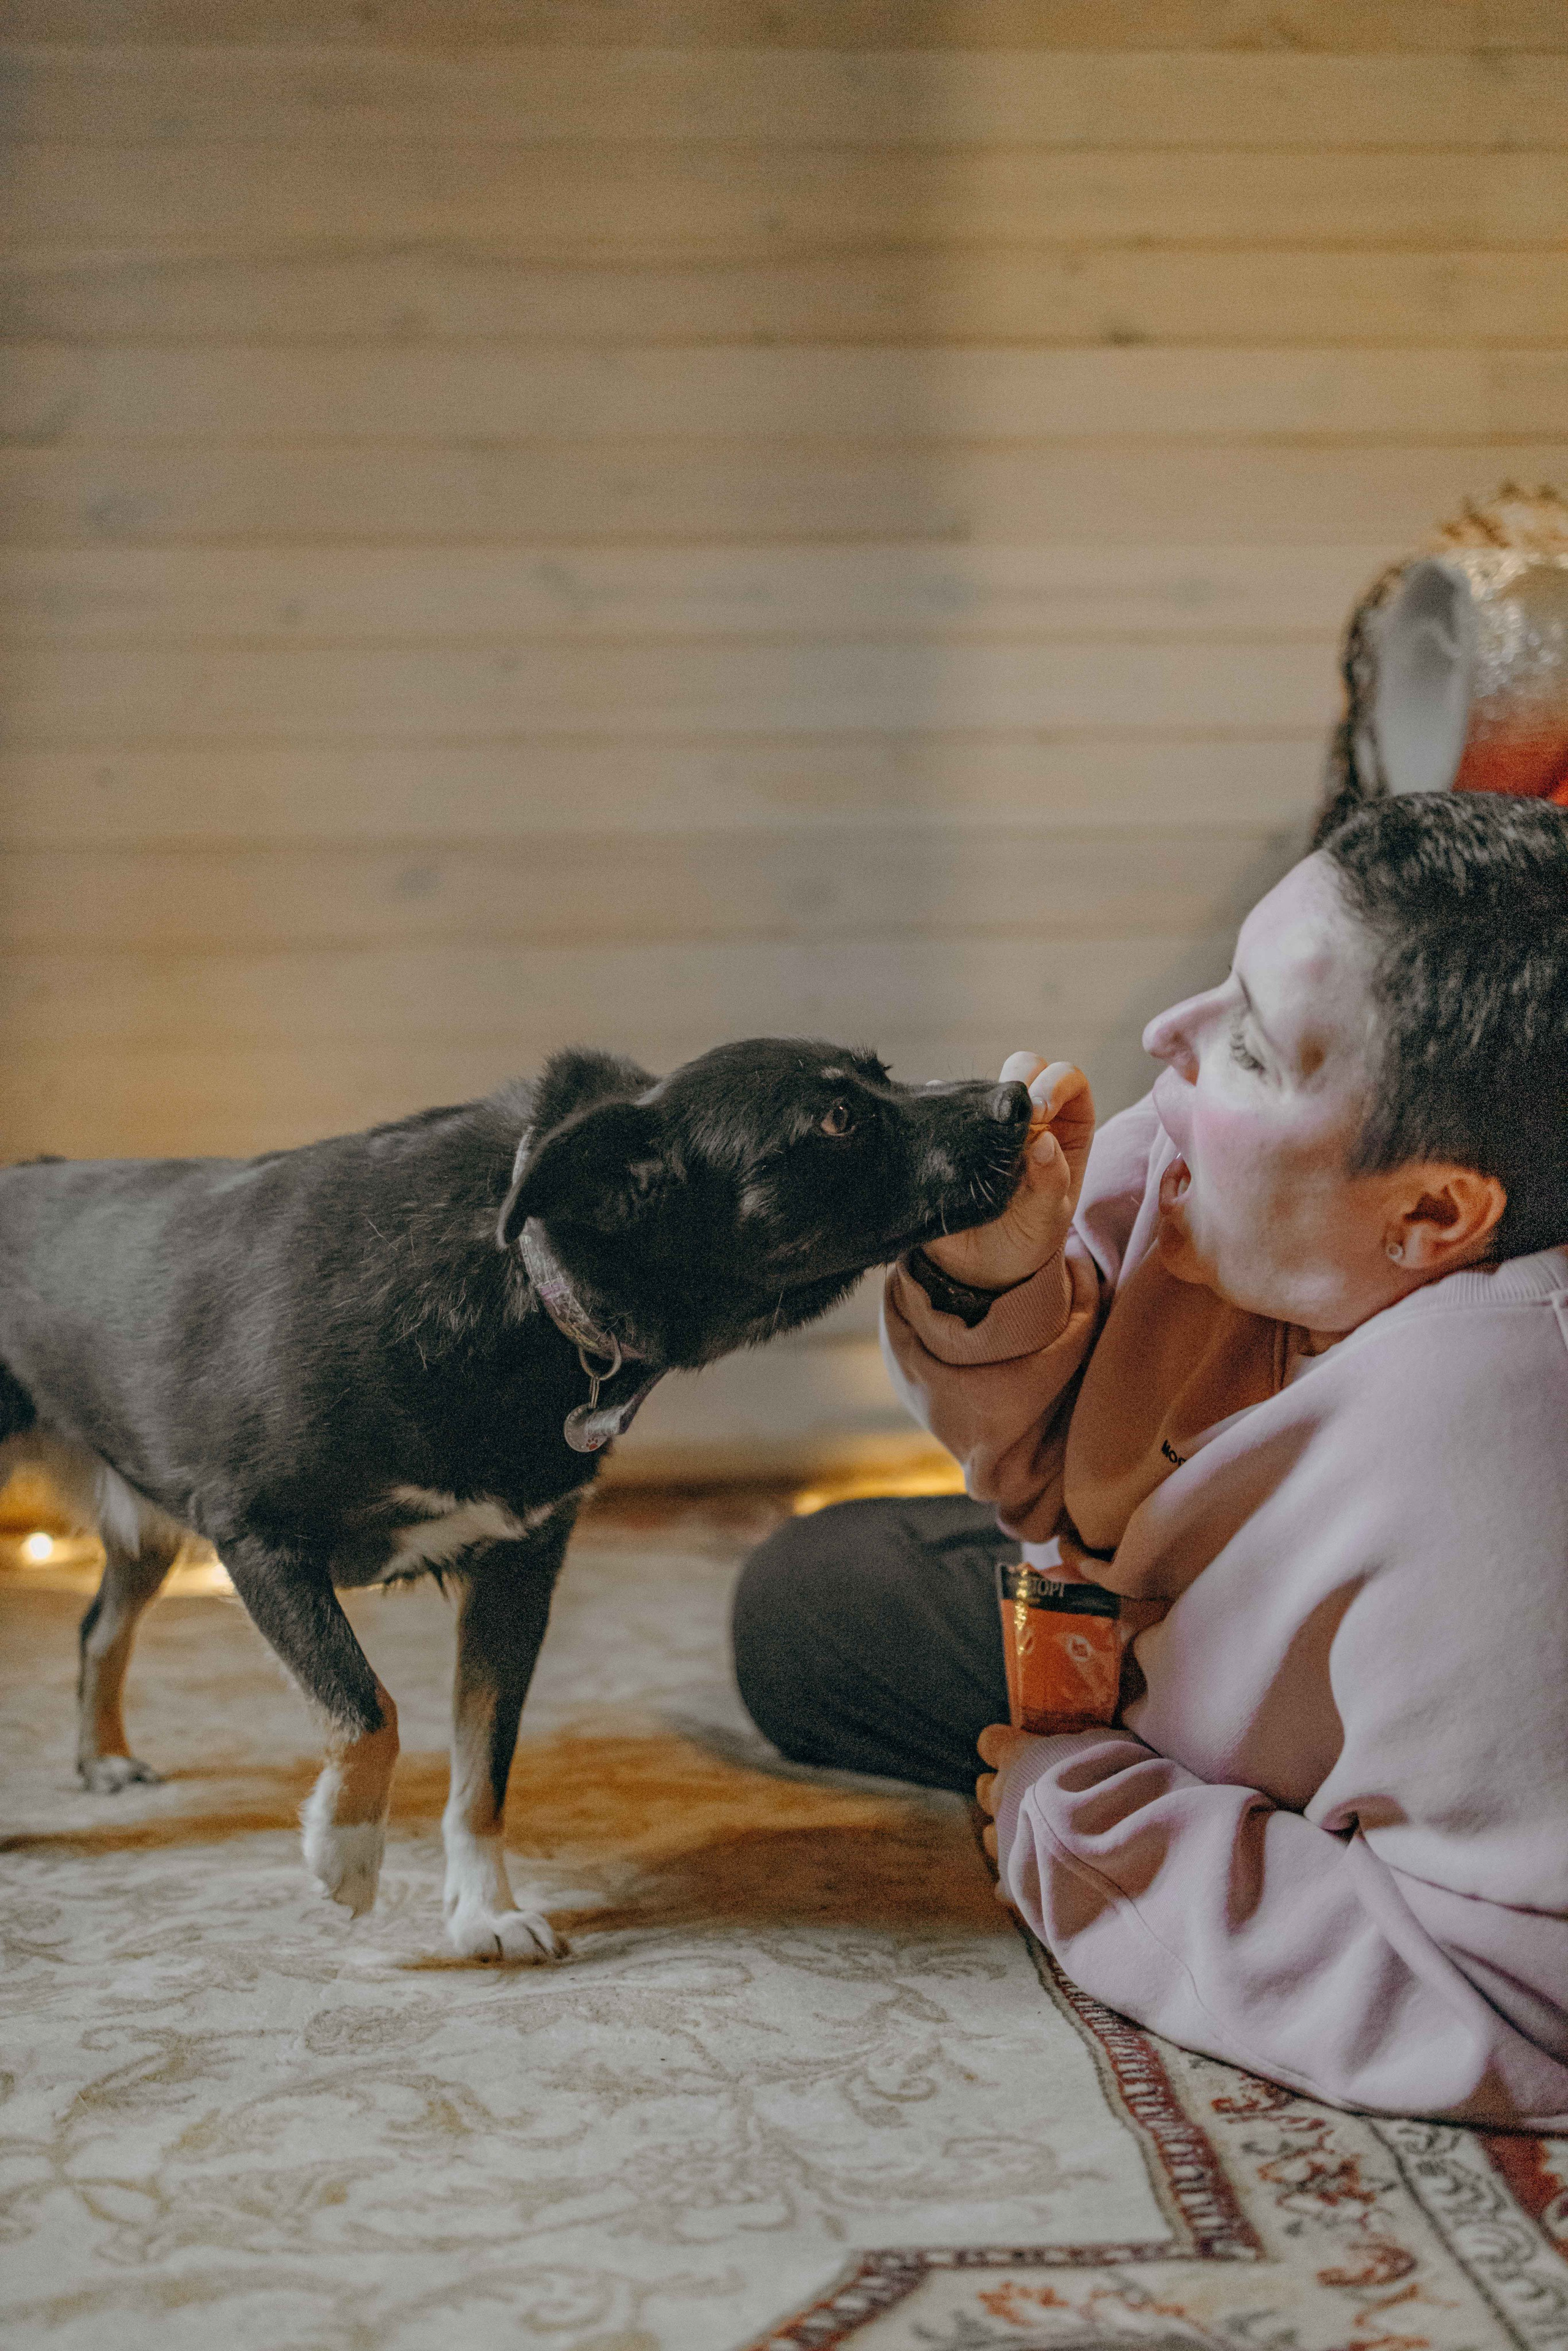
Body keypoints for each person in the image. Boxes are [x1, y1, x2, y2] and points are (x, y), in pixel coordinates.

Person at [733, 791, 1568, 2128]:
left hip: (1443, 1710)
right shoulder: (1221, 1180)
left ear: (1430, 1214)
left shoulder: (1504, 1438)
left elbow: (1522, 2007)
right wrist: (990, 1282)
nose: (1161, 1040)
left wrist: (1083, 1819)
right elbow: (1046, 1494)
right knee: (808, 1603)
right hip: (1192, 1660)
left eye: (1245, 1042)